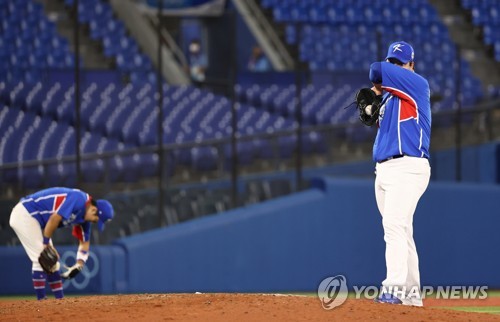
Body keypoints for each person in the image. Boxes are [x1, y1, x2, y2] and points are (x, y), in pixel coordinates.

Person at [368, 41, 431, 306]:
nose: (393, 66)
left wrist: (380, 82)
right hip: (383, 169)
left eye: (398, 62)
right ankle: (411, 295)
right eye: (392, 62)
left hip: (408, 167)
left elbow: (375, 70)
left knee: (393, 226)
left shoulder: (417, 85)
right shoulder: (390, 98)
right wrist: (372, 108)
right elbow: (381, 126)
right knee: (401, 231)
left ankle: (392, 289)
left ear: (411, 66)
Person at [9, 187, 114, 300]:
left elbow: (84, 243)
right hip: (25, 213)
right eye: (95, 220)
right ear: (94, 210)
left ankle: (60, 301)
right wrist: (46, 244)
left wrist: (79, 264)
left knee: (53, 262)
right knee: (42, 258)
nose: (93, 222)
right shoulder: (79, 198)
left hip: (37, 220)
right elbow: (54, 219)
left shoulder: (84, 218)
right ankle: (41, 301)